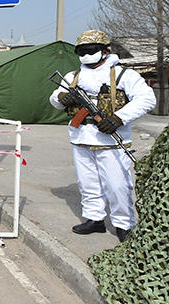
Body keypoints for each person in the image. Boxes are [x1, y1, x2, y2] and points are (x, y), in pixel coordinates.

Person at [49, 30, 156, 242]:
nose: (86, 55)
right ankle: (94, 219)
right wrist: (64, 97)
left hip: (111, 140)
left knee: (118, 185)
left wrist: (118, 118)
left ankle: (124, 224)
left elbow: (146, 99)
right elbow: (54, 99)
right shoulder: (73, 76)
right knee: (88, 183)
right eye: (82, 51)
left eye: (91, 50)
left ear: (105, 51)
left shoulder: (124, 75)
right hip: (81, 137)